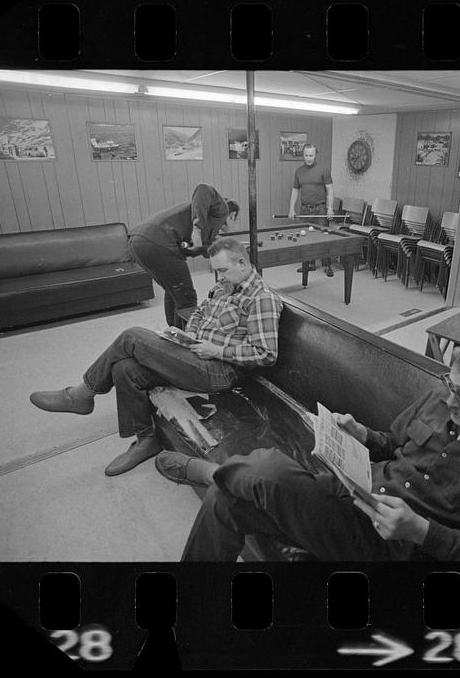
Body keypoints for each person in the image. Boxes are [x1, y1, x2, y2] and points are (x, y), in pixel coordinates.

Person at [155, 342, 460, 561]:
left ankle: (211, 470)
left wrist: (424, 532)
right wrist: (363, 434)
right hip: (356, 492)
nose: (452, 403)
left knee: (266, 469)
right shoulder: (442, 400)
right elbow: (396, 444)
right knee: (228, 501)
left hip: (397, 546)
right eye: (449, 386)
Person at [29, 238, 283, 477]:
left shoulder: (261, 299)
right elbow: (199, 313)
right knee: (125, 368)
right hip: (196, 355)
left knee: (132, 337)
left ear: (242, 263)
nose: (220, 277)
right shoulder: (223, 286)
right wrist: (186, 335)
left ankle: (81, 395)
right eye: (216, 271)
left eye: (224, 270)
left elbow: (265, 353)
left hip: (221, 370)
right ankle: (146, 439)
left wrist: (217, 351)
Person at [128, 184, 239, 329]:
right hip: (157, 241)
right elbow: (203, 189)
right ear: (232, 215)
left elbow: (196, 248)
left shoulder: (208, 223)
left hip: (139, 242)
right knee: (187, 298)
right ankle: (186, 339)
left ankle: (174, 332)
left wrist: (217, 248)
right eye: (235, 219)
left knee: (174, 291)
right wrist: (197, 230)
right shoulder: (221, 210)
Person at [287, 143, 336, 276]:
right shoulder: (299, 171)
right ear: (303, 155)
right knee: (306, 237)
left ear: (315, 155)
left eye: (311, 155)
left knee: (324, 236)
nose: (309, 158)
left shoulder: (323, 170)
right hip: (304, 209)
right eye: (306, 155)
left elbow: (330, 189)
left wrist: (330, 208)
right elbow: (295, 190)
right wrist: (291, 208)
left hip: (320, 209)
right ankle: (309, 264)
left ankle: (327, 265)